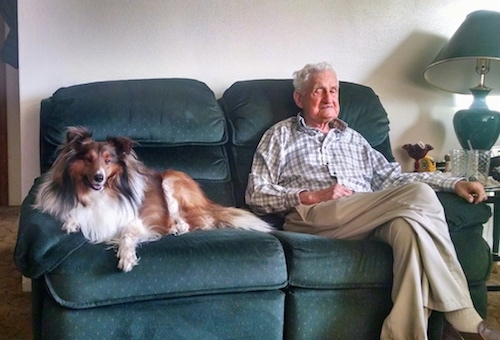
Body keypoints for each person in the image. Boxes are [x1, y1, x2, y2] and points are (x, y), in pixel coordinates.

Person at [245, 61, 500, 340]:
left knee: (409, 228)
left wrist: (454, 183)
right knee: (420, 196)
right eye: (319, 91)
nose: (329, 98)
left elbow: (394, 179)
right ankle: (461, 313)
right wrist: (312, 195)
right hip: (313, 215)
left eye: (334, 90)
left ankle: (403, 334)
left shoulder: (354, 138)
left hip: (366, 214)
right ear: (300, 98)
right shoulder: (280, 134)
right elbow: (255, 194)